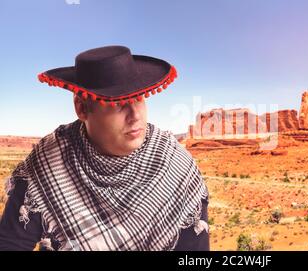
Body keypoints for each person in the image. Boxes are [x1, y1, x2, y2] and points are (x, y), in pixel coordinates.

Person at [0, 45, 209, 251]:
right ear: (82, 108)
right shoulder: (47, 163)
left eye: (139, 98)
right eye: (118, 103)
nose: (135, 115)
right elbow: (10, 244)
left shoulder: (175, 165)